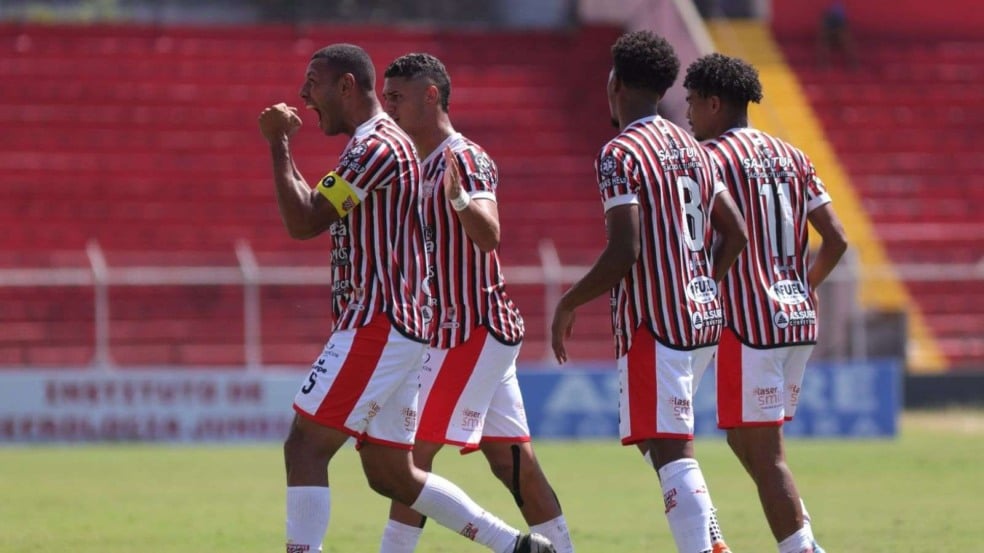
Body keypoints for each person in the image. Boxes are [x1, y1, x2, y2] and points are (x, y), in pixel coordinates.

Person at [257, 43, 556, 553]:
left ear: (346, 85)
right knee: (393, 475)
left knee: (305, 446)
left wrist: (279, 145)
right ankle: (519, 548)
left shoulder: (376, 147)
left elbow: (304, 220)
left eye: (314, 83)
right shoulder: (379, 147)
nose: (305, 96)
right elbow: (316, 208)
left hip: (379, 320)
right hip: (402, 324)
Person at [549, 31, 748, 553]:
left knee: (671, 450)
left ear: (614, 82)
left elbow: (625, 251)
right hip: (702, 318)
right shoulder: (695, 148)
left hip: (655, 324)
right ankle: (713, 542)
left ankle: (705, 550)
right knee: (662, 448)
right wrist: (701, 281)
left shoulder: (621, 153)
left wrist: (568, 301)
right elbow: (737, 231)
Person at [376, 52, 575, 553]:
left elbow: (489, 235)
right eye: (386, 97)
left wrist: (461, 200)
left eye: (397, 97)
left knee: (408, 461)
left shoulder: (461, 157)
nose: (389, 107)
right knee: (515, 465)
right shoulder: (418, 164)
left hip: (470, 328)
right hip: (461, 330)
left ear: (431, 95)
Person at [683, 53, 849, 553]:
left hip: (747, 324)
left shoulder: (709, 159)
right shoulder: (792, 155)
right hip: (797, 321)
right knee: (743, 437)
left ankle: (802, 548)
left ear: (715, 103)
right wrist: (803, 285)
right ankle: (799, 529)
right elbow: (837, 239)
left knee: (765, 451)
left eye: (692, 103)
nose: (687, 114)